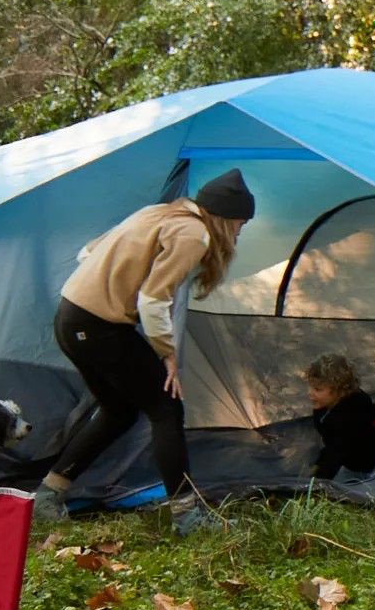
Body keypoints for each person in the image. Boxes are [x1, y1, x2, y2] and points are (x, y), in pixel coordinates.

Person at [31, 169, 256, 519]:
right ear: (227, 218)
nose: (241, 232)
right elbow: (152, 301)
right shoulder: (194, 233)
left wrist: (116, 282)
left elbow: (86, 253)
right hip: (98, 327)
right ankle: (186, 515)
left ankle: (50, 492)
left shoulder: (157, 212)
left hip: (70, 318)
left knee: (119, 411)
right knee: (167, 408)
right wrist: (167, 354)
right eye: (241, 223)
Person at [303, 353, 375, 480]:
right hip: (357, 462)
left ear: (339, 390)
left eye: (317, 390)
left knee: (372, 493)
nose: (310, 393)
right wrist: (318, 465)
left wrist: (315, 483)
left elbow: (336, 452)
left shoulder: (351, 415)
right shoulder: (323, 408)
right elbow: (331, 443)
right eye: (310, 387)